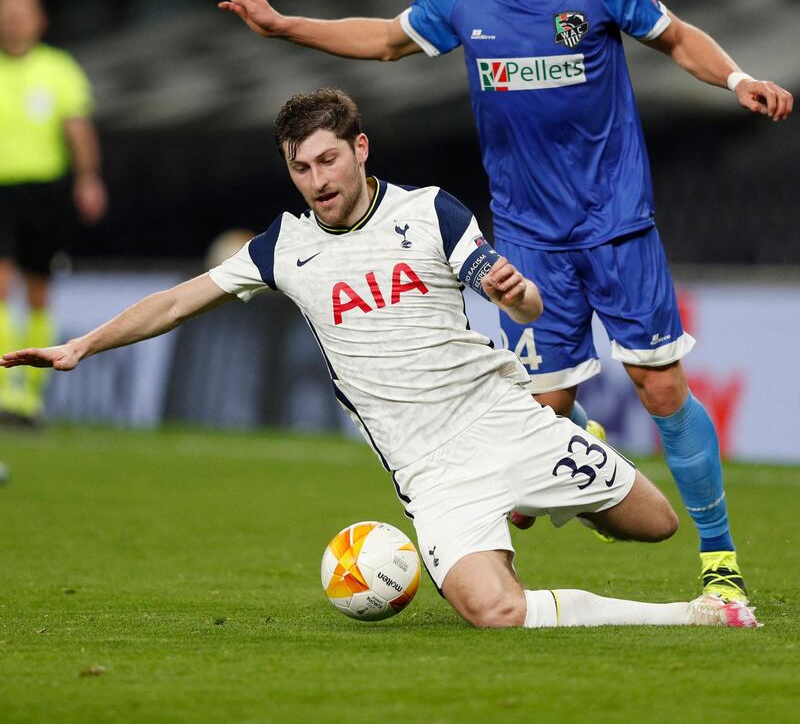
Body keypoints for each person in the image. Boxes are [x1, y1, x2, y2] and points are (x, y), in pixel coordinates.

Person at [209, 0, 794, 600]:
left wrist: (739, 78)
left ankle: (721, 566)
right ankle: (543, 503)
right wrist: (284, 25)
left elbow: (677, 37)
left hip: (617, 224)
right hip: (526, 238)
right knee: (540, 417)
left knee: (660, 386)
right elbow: (385, 40)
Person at [1, 89, 757, 629]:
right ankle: (690, 617)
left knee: (654, 525)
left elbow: (524, 307)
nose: (319, 181)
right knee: (491, 611)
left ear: (360, 149)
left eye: (330, 160)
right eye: (302, 168)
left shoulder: (428, 211)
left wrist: (519, 294)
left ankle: (558, 472)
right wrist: (81, 345)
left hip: (502, 420)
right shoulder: (285, 248)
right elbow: (175, 301)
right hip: (429, 471)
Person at [0, 0, 107, 425]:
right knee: (1, 283)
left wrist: (88, 179)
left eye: (20, 12)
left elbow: (77, 127)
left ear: (39, 19)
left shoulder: (59, 69)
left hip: (45, 193)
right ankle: (5, 391)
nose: (12, 20)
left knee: (39, 291)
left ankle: (31, 399)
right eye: (6, 13)